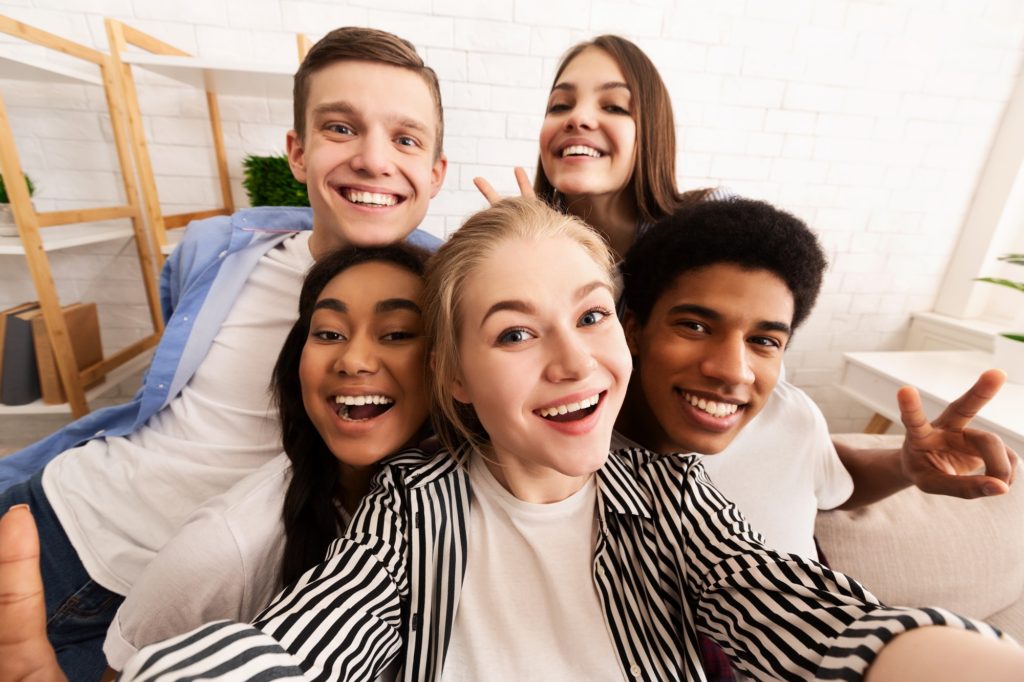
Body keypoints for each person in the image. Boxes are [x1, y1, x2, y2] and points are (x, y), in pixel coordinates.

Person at [55, 198, 1016, 681]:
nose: (574, 362)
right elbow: (303, 648)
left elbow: (801, 615)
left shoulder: (672, 496)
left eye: (592, 316)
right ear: (459, 378)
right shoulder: (410, 507)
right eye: (515, 332)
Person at [0, 26, 447, 679]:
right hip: (55, 504)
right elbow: (162, 397)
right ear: (297, 152)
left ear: (435, 172)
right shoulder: (224, 250)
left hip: (149, 603)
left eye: (405, 139)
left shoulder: (450, 298)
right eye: (341, 128)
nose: (375, 159)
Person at [474, 34, 1015, 550]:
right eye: (559, 104)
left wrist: (903, 464)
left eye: (615, 106)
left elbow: (784, 443)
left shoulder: (713, 241)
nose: (580, 117)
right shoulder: (569, 415)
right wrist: (518, 257)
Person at [615, 198, 1017, 559]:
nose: (733, 370)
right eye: (696, 327)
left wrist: (904, 466)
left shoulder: (790, 415)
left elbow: (826, 481)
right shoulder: (573, 456)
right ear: (634, 331)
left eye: (763, 340)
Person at [99, 243, 433, 671]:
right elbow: (127, 668)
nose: (353, 360)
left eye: (397, 333)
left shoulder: (470, 495)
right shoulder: (221, 547)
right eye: (329, 333)